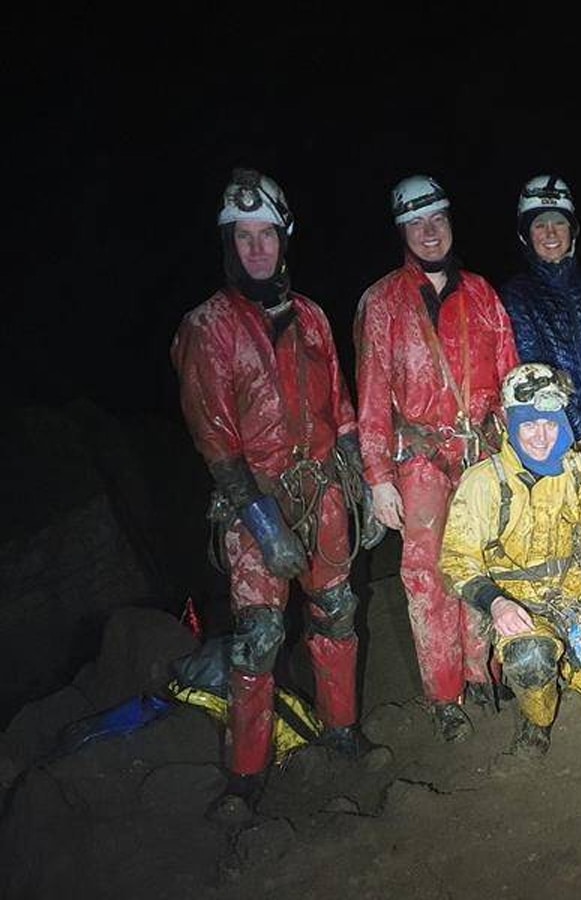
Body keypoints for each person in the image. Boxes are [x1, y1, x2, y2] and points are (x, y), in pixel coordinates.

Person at [171, 168, 385, 819]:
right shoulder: (207, 328)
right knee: (260, 634)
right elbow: (218, 445)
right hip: (253, 500)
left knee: (336, 611)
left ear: (284, 239)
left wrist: (365, 488)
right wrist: (266, 527)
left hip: (321, 492)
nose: (257, 247)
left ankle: (341, 728)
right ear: (229, 243)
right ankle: (246, 772)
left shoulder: (314, 318)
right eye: (245, 236)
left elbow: (343, 412)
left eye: (267, 234)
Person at [354, 174, 520, 743]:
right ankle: (443, 694)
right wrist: (378, 479)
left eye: (438, 220)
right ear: (403, 231)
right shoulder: (382, 304)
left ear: (451, 223)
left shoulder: (482, 294)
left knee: (484, 562)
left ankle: (483, 673)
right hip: (420, 458)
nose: (430, 233)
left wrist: (515, 449)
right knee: (426, 576)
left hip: (480, 452)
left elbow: (510, 374)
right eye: (417, 223)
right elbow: (371, 396)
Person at [440, 363, 581, 756]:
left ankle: (565, 663)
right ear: (510, 424)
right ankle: (537, 720)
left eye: (549, 422)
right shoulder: (483, 482)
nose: (542, 436)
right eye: (529, 424)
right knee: (531, 655)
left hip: (575, 603)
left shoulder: (572, 468)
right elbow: (456, 561)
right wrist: (496, 603)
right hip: (522, 610)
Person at [500, 175, 581, 505]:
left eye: (558, 223)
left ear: (573, 230)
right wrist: (577, 423)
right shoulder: (518, 294)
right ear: (526, 235)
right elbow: (532, 364)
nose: (550, 233)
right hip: (550, 432)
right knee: (557, 527)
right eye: (540, 225)